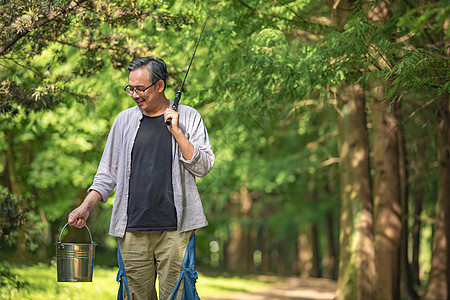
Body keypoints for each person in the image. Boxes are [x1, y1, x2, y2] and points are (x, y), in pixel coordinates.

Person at [68, 56, 214, 300]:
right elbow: (107, 173)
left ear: (159, 85)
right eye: (130, 88)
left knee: (178, 295)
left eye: (140, 88)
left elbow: (204, 167)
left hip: (175, 230)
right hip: (132, 229)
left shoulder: (188, 117)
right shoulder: (124, 121)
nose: (135, 95)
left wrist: (177, 132)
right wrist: (86, 206)